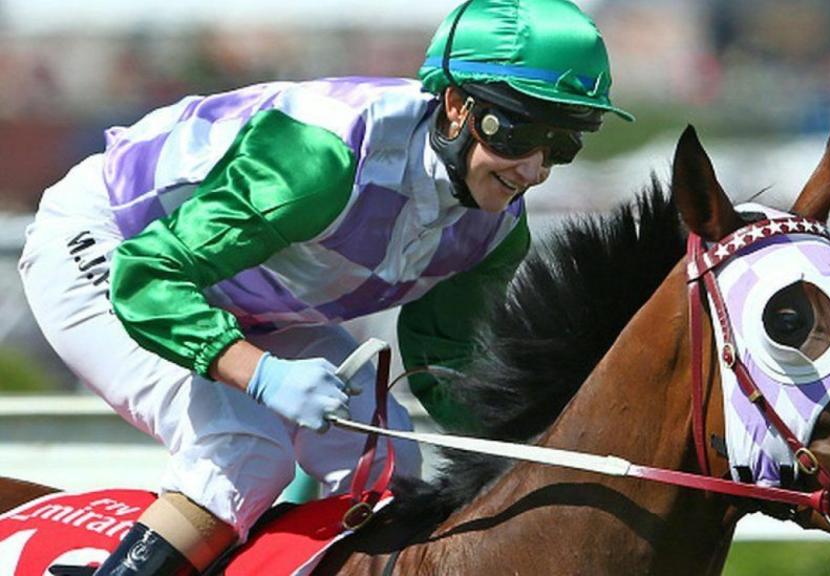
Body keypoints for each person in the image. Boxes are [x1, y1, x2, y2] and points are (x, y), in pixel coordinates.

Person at [17, 0, 633, 573]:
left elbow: (446, 361)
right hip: (115, 247)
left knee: (385, 464)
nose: (533, 170)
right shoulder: (321, 159)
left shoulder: (494, 228)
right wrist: (260, 374)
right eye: (516, 134)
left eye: (561, 144)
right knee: (246, 451)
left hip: (246, 294)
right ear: (456, 107)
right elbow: (150, 276)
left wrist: (529, 441)